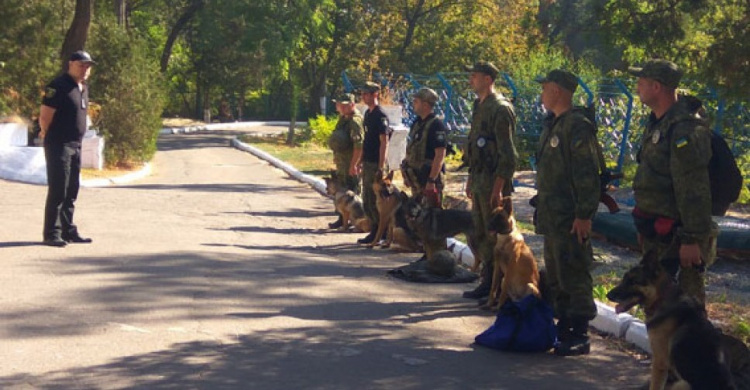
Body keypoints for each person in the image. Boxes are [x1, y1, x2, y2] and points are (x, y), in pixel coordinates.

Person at [629, 59, 717, 307]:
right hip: (655, 230)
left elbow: (693, 188)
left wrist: (690, 239)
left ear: (656, 87)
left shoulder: (684, 129)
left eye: (642, 82)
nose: (637, 87)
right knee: (658, 305)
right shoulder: (659, 121)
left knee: (684, 308)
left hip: (678, 236)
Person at [534, 69, 600, 356]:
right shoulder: (554, 124)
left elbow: (587, 174)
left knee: (574, 270)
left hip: (571, 216)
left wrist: (584, 214)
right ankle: (564, 323)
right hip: (553, 215)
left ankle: (579, 330)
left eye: (545, 88)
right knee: (557, 271)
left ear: (557, 91)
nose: (542, 93)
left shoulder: (577, 126)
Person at [461, 61, 518, 300]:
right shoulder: (479, 105)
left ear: (488, 79)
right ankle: (488, 279)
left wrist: (498, 188)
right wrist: (470, 179)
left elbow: (508, 154)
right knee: (481, 232)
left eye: (475, 76)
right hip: (479, 179)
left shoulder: (500, 108)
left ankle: (496, 285)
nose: (471, 80)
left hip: (493, 182)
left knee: (494, 234)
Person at [39, 50, 96, 247]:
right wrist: (48, 134)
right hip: (59, 144)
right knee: (58, 189)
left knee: (72, 190)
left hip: (75, 144)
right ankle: (51, 233)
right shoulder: (58, 86)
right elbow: (45, 116)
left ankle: (67, 230)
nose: (85, 69)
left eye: (88, 66)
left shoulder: (82, 87)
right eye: (81, 65)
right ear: (70, 64)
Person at [357, 81, 391, 244]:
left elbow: (384, 142)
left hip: (375, 164)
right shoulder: (368, 114)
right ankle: (374, 228)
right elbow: (366, 141)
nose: (363, 97)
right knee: (367, 197)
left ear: (375, 95)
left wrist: (381, 166)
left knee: (375, 198)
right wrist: (359, 160)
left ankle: (380, 231)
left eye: (367, 94)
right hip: (367, 161)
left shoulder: (380, 116)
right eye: (363, 94)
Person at [402, 87, 447, 207]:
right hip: (416, 179)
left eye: (416, 101)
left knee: (432, 216)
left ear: (426, 105)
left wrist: (431, 180)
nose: (413, 104)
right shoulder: (417, 123)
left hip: (428, 179)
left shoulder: (436, 125)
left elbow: (440, 155)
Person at [327, 92, 364, 228]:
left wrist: (354, 165)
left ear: (351, 105)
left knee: (352, 192)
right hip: (343, 162)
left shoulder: (355, 121)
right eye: (338, 104)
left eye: (343, 105)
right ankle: (342, 218)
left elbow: (359, 146)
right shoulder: (344, 119)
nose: (339, 107)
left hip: (350, 162)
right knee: (342, 191)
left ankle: (356, 220)